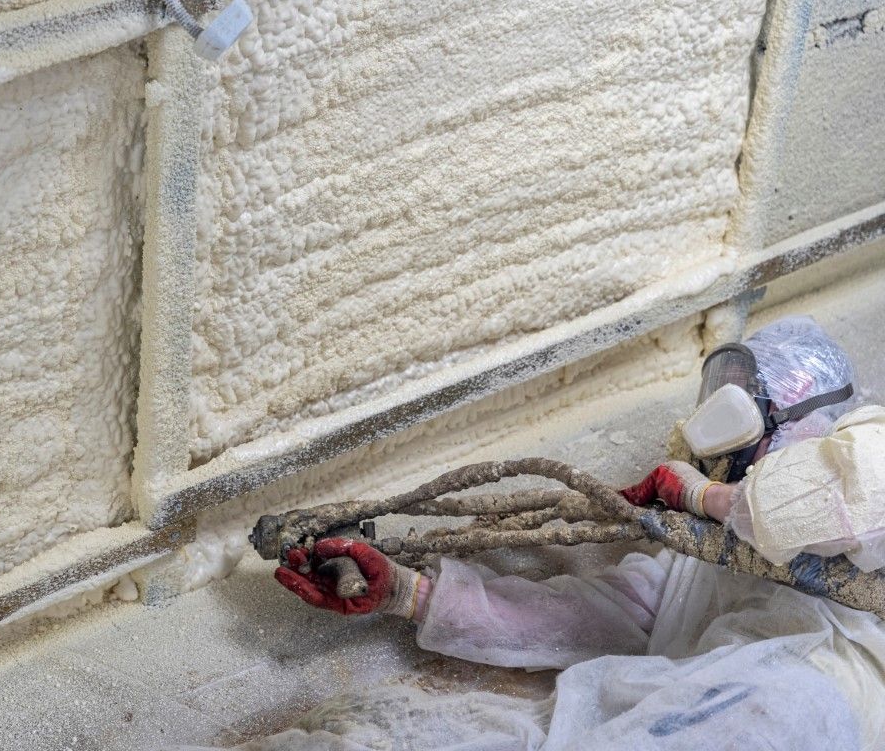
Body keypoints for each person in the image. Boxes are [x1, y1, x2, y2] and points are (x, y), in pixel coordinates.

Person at [190, 316, 885, 750]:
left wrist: (703, 494)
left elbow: (821, 508)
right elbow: (590, 615)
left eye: (740, 401)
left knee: (768, 707)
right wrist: (412, 593)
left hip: (821, 711)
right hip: (698, 702)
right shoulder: (702, 557)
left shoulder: (867, 470)